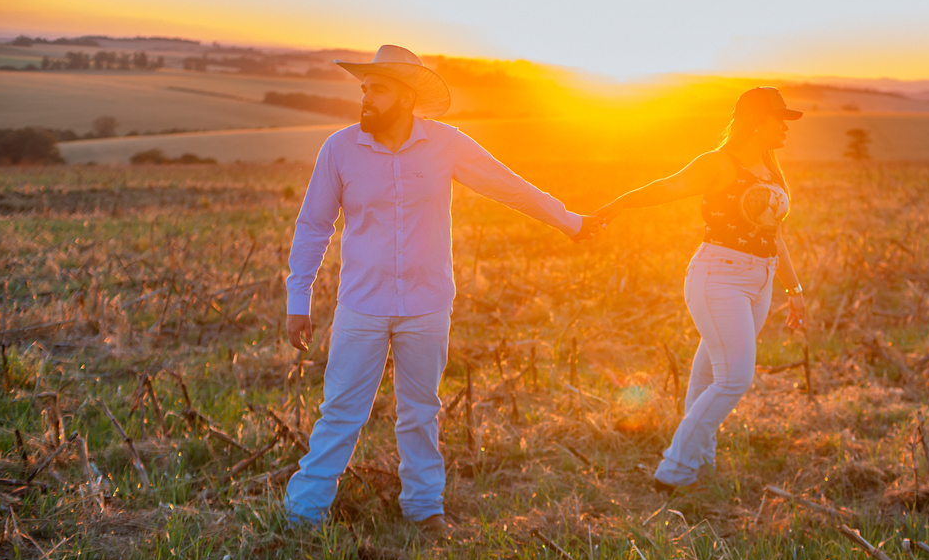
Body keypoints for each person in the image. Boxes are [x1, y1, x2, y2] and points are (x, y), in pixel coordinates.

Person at [283, 45, 601, 532]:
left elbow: (508, 186)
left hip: (428, 305)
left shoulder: (447, 144)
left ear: (407, 98)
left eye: (378, 90)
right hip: (361, 306)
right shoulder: (339, 149)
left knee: (420, 412)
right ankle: (303, 516)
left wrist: (569, 221)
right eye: (364, 89)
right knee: (341, 413)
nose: (366, 98)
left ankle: (424, 509)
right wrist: (297, 300)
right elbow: (313, 227)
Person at [594, 87, 807, 492]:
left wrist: (793, 288)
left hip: (760, 279)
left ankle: (701, 464)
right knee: (735, 378)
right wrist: (619, 204)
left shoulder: (769, 169)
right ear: (757, 121)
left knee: (709, 374)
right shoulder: (719, 164)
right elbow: (667, 187)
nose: (785, 128)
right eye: (780, 119)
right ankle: (673, 471)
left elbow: (774, 234)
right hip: (719, 277)